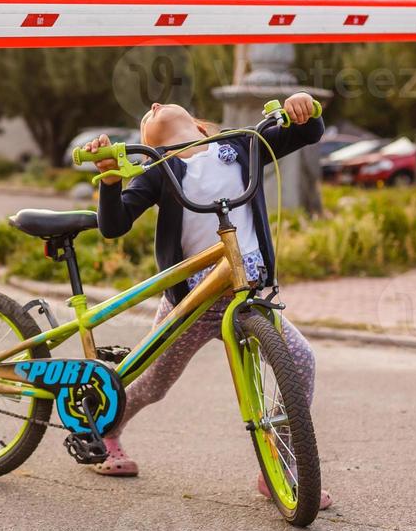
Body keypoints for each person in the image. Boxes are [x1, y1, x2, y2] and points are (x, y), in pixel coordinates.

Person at [81, 94, 333, 509]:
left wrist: (302, 107)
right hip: (191, 303)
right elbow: (114, 226)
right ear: (150, 145)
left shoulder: (241, 146)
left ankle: (279, 462)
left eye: (164, 104)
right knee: (153, 384)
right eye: (148, 115)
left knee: (301, 361)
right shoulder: (158, 168)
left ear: (200, 127)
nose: (157, 103)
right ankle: (105, 432)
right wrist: (110, 181)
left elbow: (306, 132)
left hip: (246, 293)